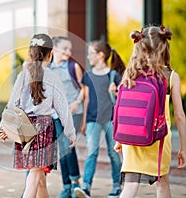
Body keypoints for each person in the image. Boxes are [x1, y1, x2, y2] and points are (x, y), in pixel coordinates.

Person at [0, 33, 76, 198]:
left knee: (39, 177)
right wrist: (70, 132)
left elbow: (11, 105)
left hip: (24, 130)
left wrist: (2, 127)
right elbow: (63, 108)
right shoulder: (53, 77)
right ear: (50, 54)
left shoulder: (22, 75)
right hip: (43, 130)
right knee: (34, 176)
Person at [114, 25, 186, 198]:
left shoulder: (130, 74)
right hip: (158, 138)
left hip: (130, 138)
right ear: (164, 48)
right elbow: (179, 116)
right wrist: (183, 148)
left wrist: (119, 138)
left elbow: (121, 108)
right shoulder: (170, 76)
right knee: (162, 185)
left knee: (130, 187)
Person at [74, 40, 125, 198]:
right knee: (91, 153)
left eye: (91, 53)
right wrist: (84, 120)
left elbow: (121, 99)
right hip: (92, 120)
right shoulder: (88, 75)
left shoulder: (113, 75)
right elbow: (87, 98)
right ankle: (86, 187)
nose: (88, 56)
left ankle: (117, 186)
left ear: (101, 55)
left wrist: (115, 91)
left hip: (111, 120)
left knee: (113, 153)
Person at [49, 36, 84, 198]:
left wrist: (77, 101)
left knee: (67, 145)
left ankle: (74, 183)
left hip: (73, 113)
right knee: (62, 148)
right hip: (56, 114)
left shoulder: (73, 66)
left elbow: (84, 89)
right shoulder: (47, 68)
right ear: (55, 49)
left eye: (70, 49)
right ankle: (68, 186)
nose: (68, 52)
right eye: (65, 49)